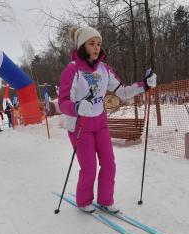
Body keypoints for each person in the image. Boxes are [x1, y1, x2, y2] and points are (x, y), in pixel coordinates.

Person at [58, 26, 156, 213]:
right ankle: (84, 200)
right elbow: (62, 103)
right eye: (91, 44)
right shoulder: (72, 70)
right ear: (81, 46)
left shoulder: (105, 69)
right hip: (80, 125)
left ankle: (105, 200)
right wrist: (77, 107)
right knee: (89, 167)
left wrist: (144, 85)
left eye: (99, 44)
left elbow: (124, 91)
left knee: (109, 163)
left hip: (100, 122)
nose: (96, 48)